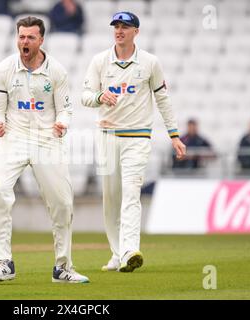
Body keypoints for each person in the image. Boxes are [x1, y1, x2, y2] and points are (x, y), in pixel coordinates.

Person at [0, 16, 89, 283]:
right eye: (21, 37)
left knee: (63, 203)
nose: (25, 42)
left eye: (30, 37)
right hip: (15, 137)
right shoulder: (5, 68)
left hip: (46, 139)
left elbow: (66, 108)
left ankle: (63, 267)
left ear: (41, 40)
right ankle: (3, 262)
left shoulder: (57, 71)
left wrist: (62, 123)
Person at [81, 12, 186, 272]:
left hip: (137, 137)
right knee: (111, 199)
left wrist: (174, 135)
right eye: (116, 26)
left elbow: (163, 100)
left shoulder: (150, 62)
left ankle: (130, 251)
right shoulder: (99, 61)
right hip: (107, 136)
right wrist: (98, 97)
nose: (119, 30)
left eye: (125, 27)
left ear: (136, 31)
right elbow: (84, 95)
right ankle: (117, 254)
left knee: (131, 193)